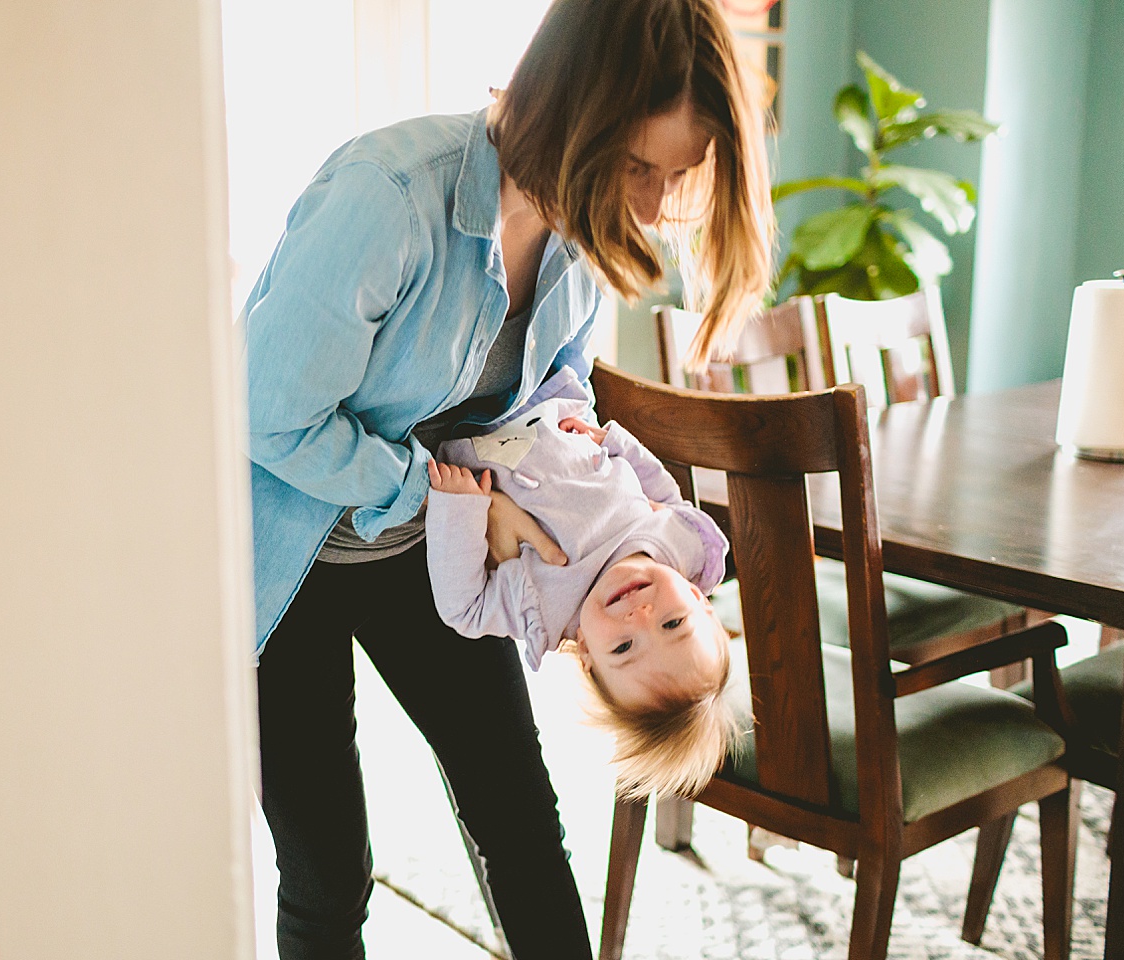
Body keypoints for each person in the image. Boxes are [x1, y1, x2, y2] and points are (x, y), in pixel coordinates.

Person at [242, 0, 773, 954]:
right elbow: (267, 413)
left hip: (447, 540)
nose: (651, 209)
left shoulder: (579, 235)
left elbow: (546, 377)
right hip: (290, 555)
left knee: (522, 825)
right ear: (572, 108)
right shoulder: (389, 196)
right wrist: (447, 506)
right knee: (328, 866)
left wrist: (566, 442)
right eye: (639, 168)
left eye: (675, 176)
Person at [425, 365, 736, 800]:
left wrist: (458, 509)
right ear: (698, 598)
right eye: (672, 624)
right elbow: (666, 492)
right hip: (551, 391)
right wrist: (613, 442)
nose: (640, 617)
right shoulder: (680, 546)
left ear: (588, 653)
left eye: (623, 647)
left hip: (466, 420)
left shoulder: (545, 608)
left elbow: (464, 611)